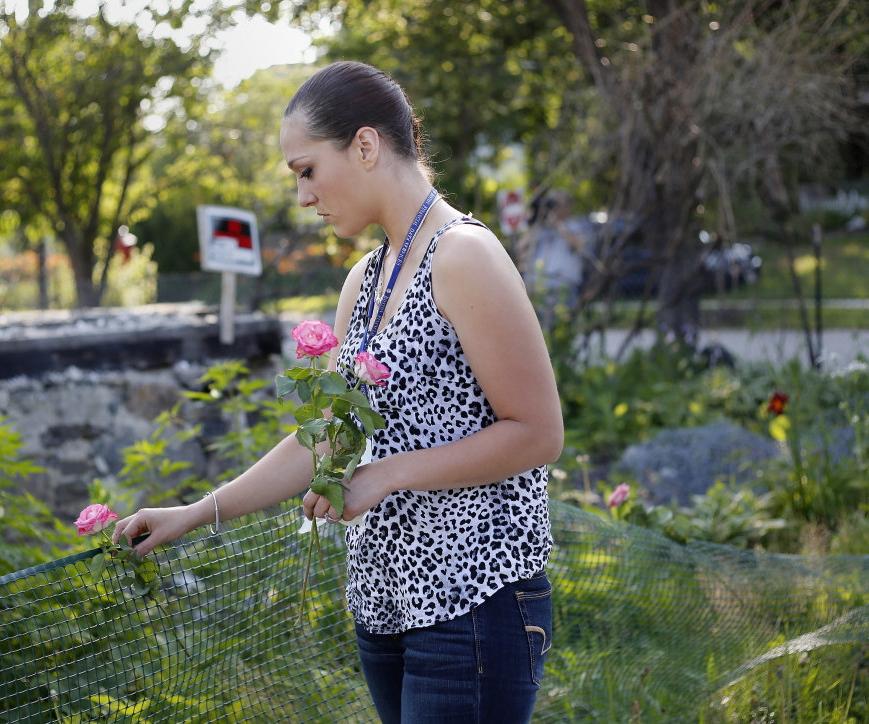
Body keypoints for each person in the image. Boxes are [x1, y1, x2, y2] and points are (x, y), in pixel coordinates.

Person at [113, 61, 564, 724]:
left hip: (475, 602)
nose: (302, 196)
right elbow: (330, 438)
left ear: (364, 145)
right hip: (387, 605)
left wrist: (389, 474)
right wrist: (197, 512)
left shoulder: (464, 255)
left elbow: (538, 432)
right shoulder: (366, 278)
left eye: (306, 170)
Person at [519, 189, 591, 324]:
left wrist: (558, 224)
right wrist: (533, 222)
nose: (556, 209)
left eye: (559, 205)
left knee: (563, 328)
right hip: (539, 287)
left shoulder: (573, 226)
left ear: (568, 207)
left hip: (564, 287)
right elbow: (522, 250)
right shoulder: (539, 229)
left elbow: (578, 246)